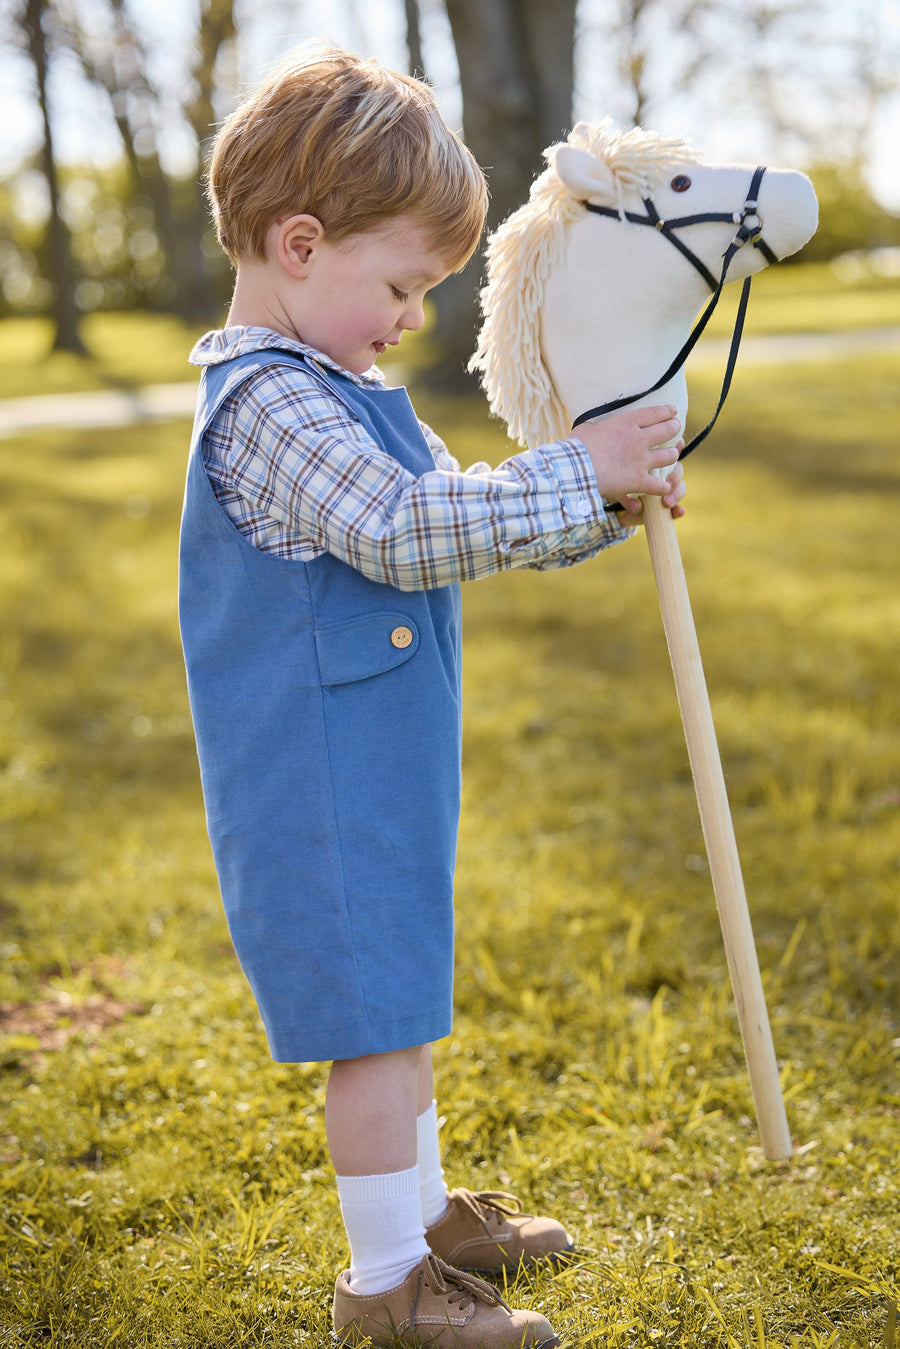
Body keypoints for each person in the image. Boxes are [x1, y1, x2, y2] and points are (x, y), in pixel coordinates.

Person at [179, 44, 686, 1349]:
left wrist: (605, 502)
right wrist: (573, 469)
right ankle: (385, 1283)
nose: (414, 318)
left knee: (402, 997)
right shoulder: (270, 408)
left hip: (381, 766)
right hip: (319, 782)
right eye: (403, 285)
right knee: (374, 1024)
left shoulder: (337, 388)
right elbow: (409, 532)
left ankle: (426, 1221)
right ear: (301, 244)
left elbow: (462, 515)